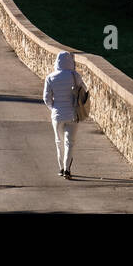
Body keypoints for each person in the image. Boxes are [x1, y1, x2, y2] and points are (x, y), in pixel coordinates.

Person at [42, 51, 85, 179]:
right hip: (73, 114)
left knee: (58, 141)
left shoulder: (50, 77)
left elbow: (46, 98)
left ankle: (61, 168)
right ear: (70, 62)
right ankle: (67, 169)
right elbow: (84, 91)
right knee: (69, 143)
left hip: (57, 115)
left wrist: (53, 108)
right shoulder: (75, 76)